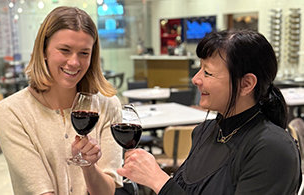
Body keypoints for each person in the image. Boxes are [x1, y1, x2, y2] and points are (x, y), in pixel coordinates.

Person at [117, 29, 302, 194]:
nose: (196, 80)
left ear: (246, 84)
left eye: (208, 73)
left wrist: (159, 181)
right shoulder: (204, 131)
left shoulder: (272, 148)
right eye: (200, 69)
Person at [0, 6, 123, 195]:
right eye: (65, 50)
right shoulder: (12, 112)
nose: (74, 62)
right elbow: (41, 191)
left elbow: (106, 192)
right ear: (43, 50)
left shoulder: (108, 106)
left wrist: (89, 167)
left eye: (84, 53)